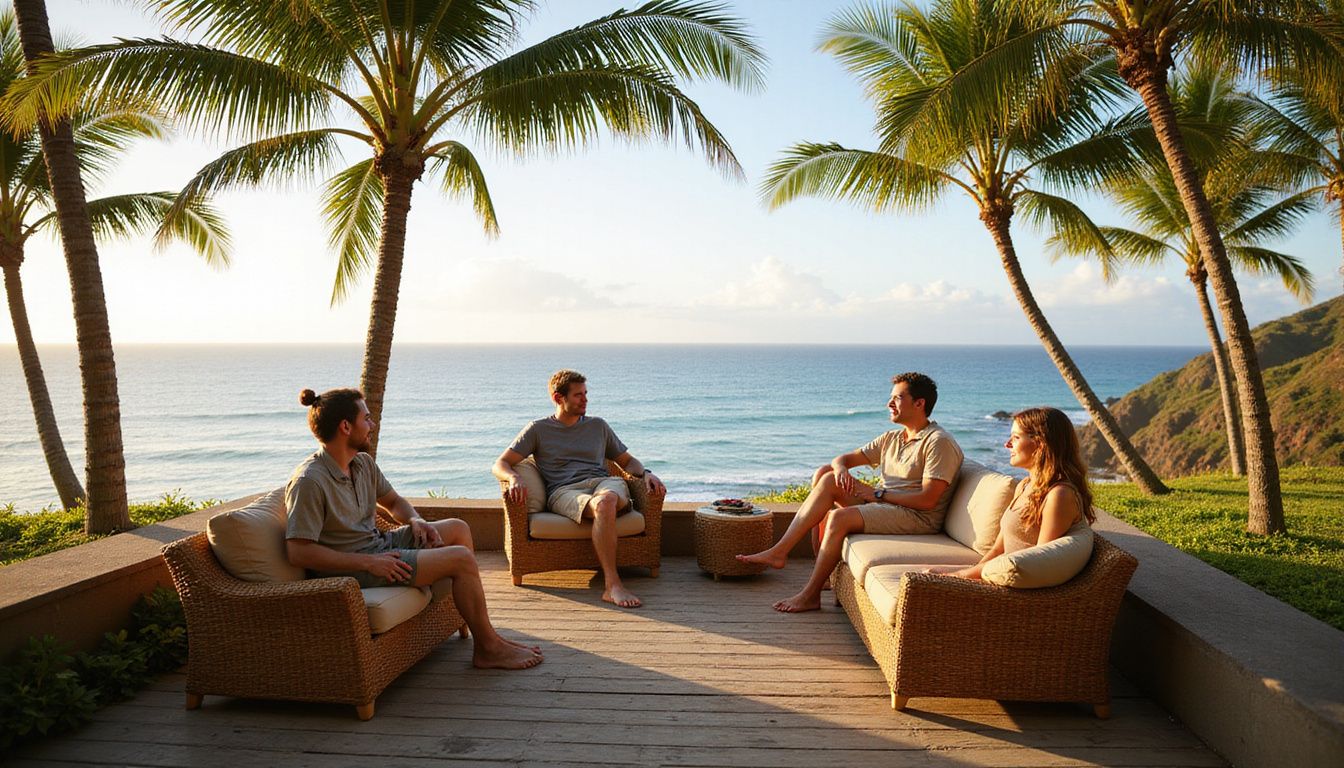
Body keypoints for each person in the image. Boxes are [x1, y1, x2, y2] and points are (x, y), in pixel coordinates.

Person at [285, 387, 542, 670]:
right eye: (366, 419)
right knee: (461, 559)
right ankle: (488, 648)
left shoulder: (362, 463)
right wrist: (369, 563)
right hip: (354, 567)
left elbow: (393, 501)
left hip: (379, 546)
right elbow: (299, 552)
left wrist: (416, 520)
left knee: (457, 529)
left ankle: (479, 627)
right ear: (346, 427)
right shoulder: (310, 481)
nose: (372, 425)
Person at [737, 372, 963, 613]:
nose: (889, 404)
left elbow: (927, 500)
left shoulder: (938, 442)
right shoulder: (893, 438)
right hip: (887, 506)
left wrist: (876, 495)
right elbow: (842, 459)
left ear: (919, 404)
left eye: (897, 398)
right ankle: (782, 553)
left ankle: (810, 595)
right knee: (827, 475)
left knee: (838, 517)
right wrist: (842, 469)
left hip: (917, 516)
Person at [493, 370, 666, 609]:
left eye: (585, 394)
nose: (585, 400)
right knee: (604, 505)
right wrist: (513, 478)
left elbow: (627, 462)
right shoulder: (538, 429)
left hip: (604, 483)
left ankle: (611, 585)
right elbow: (500, 463)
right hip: (564, 491)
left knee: (606, 501)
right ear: (558, 398)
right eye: (578, 395)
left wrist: (646, 473)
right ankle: (613, 585)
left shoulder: (598, 426)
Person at [928, 406, 1095, 579]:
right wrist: (964, 575)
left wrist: (959, 576)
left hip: (1017, 587)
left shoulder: (1059, 496)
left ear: (1040, 444)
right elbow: (998, 549)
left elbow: (1040, 563)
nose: (1007, 444)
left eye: (1015, 437)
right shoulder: (1024, 485)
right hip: (1000, 574)